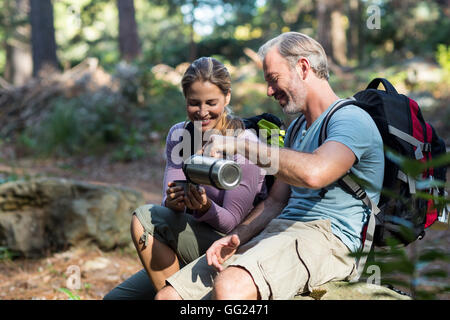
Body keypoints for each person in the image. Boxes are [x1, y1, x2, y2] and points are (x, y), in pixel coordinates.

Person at [154, 32, 385, 300]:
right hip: (279, 229)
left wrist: (242, 145)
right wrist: (238, 236)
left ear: (302, 67)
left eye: (273, 80)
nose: (269, 91)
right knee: (169, 298)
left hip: (328, 238)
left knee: (230, 288)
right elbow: (276, 202)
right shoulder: (298, 127)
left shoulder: (350, 119)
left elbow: (314, 173)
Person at [104, 57, 267, 300]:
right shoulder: (180, 134)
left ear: (227, 97)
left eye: (211, 102)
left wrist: (205, 207)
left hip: (231, 247)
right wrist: (174, 202)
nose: (202, 112)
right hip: (190, 240)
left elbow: (232, 223)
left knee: (143, 218)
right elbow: (167, 210)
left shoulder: (245, 145)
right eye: (194, 103)